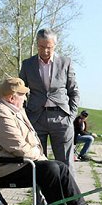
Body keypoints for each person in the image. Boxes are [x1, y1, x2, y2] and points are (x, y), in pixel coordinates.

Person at [0, 77, 102, 205]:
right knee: (50, 169)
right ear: (11, 97)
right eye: (22, 95)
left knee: (60, 167)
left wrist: (41, 158)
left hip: (16, 163)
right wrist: (41, 158)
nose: (25, 98)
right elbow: (18, 147)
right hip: (2, 168)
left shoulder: (14, 110)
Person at [19, 29, 79, 168]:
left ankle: (67, 190)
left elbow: (74, 92)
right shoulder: (27, 65)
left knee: (65, 164)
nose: (45, 51)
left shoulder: (66, 63)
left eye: (49, 47)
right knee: (37, 162)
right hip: (35, 118)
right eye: (42, 47)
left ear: (55, 46)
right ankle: (39, 190)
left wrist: (71, 117)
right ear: (37, 45)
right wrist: (24, 117)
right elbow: (19, 92)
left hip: (61, 117)